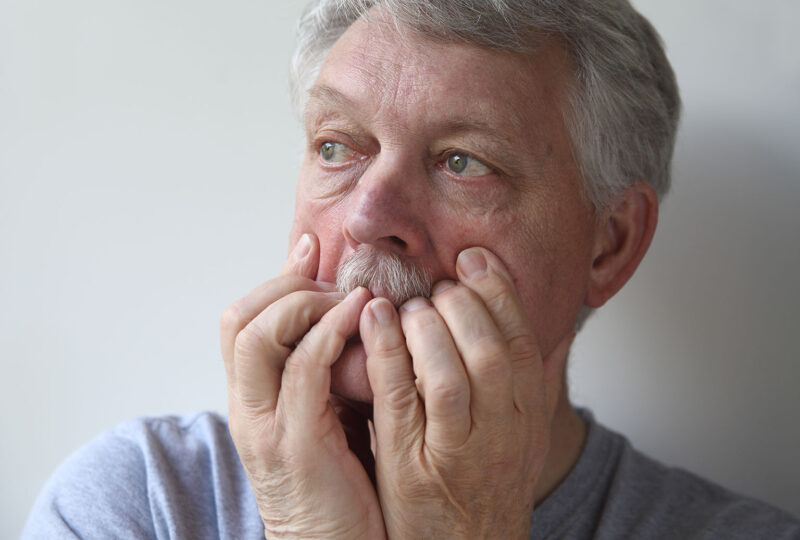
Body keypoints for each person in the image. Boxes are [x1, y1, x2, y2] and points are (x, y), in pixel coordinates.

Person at [22, 0, 800, 538]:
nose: (365, 217)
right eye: (337, 146)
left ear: (609, 245)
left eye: (464, 161)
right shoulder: (137, 503)